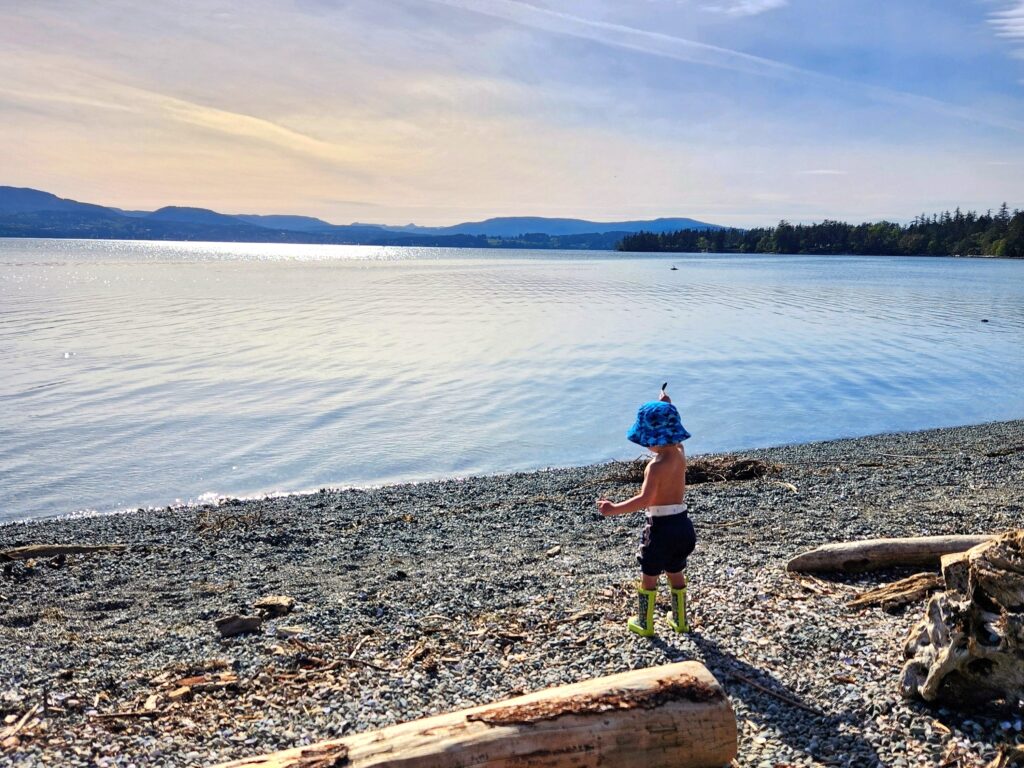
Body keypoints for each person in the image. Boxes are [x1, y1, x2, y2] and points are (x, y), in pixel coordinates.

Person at [597, 387, 695, 636]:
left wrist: (613, 508)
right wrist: (669, 406)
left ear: (651, 439)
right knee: (676, 570)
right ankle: (681, 620)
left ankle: (645, 622)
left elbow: (644, 499)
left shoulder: (656, 466)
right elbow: (677, 439)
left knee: (649, 574)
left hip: (660, 528)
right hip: (683, 527)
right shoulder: (680, 455)